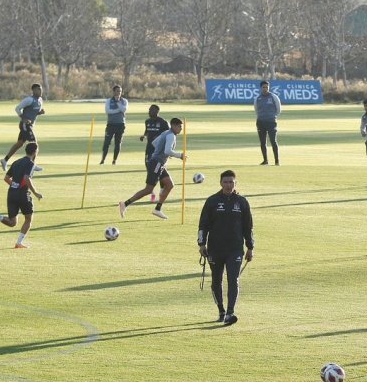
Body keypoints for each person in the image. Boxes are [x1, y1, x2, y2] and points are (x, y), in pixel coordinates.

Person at [198, 170, 254, 326]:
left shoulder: (242, 202)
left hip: (235, 249)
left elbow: (248, 227)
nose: (228, 185)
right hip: (215, 249)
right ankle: (221, 311)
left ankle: (230, 312)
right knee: (216, 281)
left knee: (233, 280)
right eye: (226, 182)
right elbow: (203, 225)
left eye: (231, 182)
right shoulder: (212, 201)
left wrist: (250, 247)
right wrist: (201, 244)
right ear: (220, 183)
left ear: (235, 183)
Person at [119, 118, 186, 220]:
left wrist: (163, 153)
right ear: (173, 125)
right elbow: (168, 150)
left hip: (158, 164)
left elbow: (155, 143)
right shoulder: (171, 135)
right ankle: (125, 203)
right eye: (179, 127)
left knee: (169, 184)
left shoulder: (165, 133)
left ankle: (157, 209)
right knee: (149, 189)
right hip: (156, 164)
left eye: (181, 127)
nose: (181, 129)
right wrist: (179, 155)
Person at [0, 143, 44, 249]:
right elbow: (27, 178)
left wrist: (15, 185)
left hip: (12, 193)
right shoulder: (30, 163)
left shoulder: (16, 162)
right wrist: (36, 193)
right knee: (28, 219)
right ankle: (19, 243)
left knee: (12, 222)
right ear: (35, 152)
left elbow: (6, 178)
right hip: (23, 194)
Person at [1, 83, 45, 171]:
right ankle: (32, 165)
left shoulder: (40, 100)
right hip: (25, 125)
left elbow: (33, 111)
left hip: (30, 126)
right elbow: (17, 108)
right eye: (38, 89)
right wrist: (24, 118)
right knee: (34, 144)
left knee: (19, 143)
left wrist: (40, 112)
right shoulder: (29, 99)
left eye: (41, 89)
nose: (41, 91)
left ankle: (4, 160)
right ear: (33, 90)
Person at [139, 105, 170, 203]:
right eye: (149, 109)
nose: (149, 111)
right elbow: (147, 131)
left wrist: (167, 150)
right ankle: (151, 192)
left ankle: (161, 191)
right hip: (149, 150)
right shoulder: (147, 121)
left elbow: (168, 136)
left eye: (151, 110)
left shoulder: (163, 123)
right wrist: (144, 136)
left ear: (157, 111)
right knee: (149, 170)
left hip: (159, 152)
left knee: (160, 171)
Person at [100, 85, 128, 165]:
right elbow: (108, 111)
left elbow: (124, 109)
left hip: (120, 125)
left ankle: (114, 160)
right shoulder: (109, 101)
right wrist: (119, 110)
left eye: (120, 91)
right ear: (114, 91)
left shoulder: (124, 101)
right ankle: (103, 159)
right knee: (106, 143)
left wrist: (118, 102)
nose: (119, 93)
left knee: (118, 143)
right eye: (117, 91)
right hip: (111, 125)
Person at [254, 80, 281, 166]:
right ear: (261, 88)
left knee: (273, 141)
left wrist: (272, 116)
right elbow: (256, 109)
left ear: (268, 87)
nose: (265, 89)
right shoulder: (257, 98)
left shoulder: (274, 97)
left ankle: (277, 161)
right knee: (262, 142)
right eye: (263, 87)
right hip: (260, 122)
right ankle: (265, 160)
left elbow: (278, 109)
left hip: (271, 122)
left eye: (267, 87)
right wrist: (261, 117)